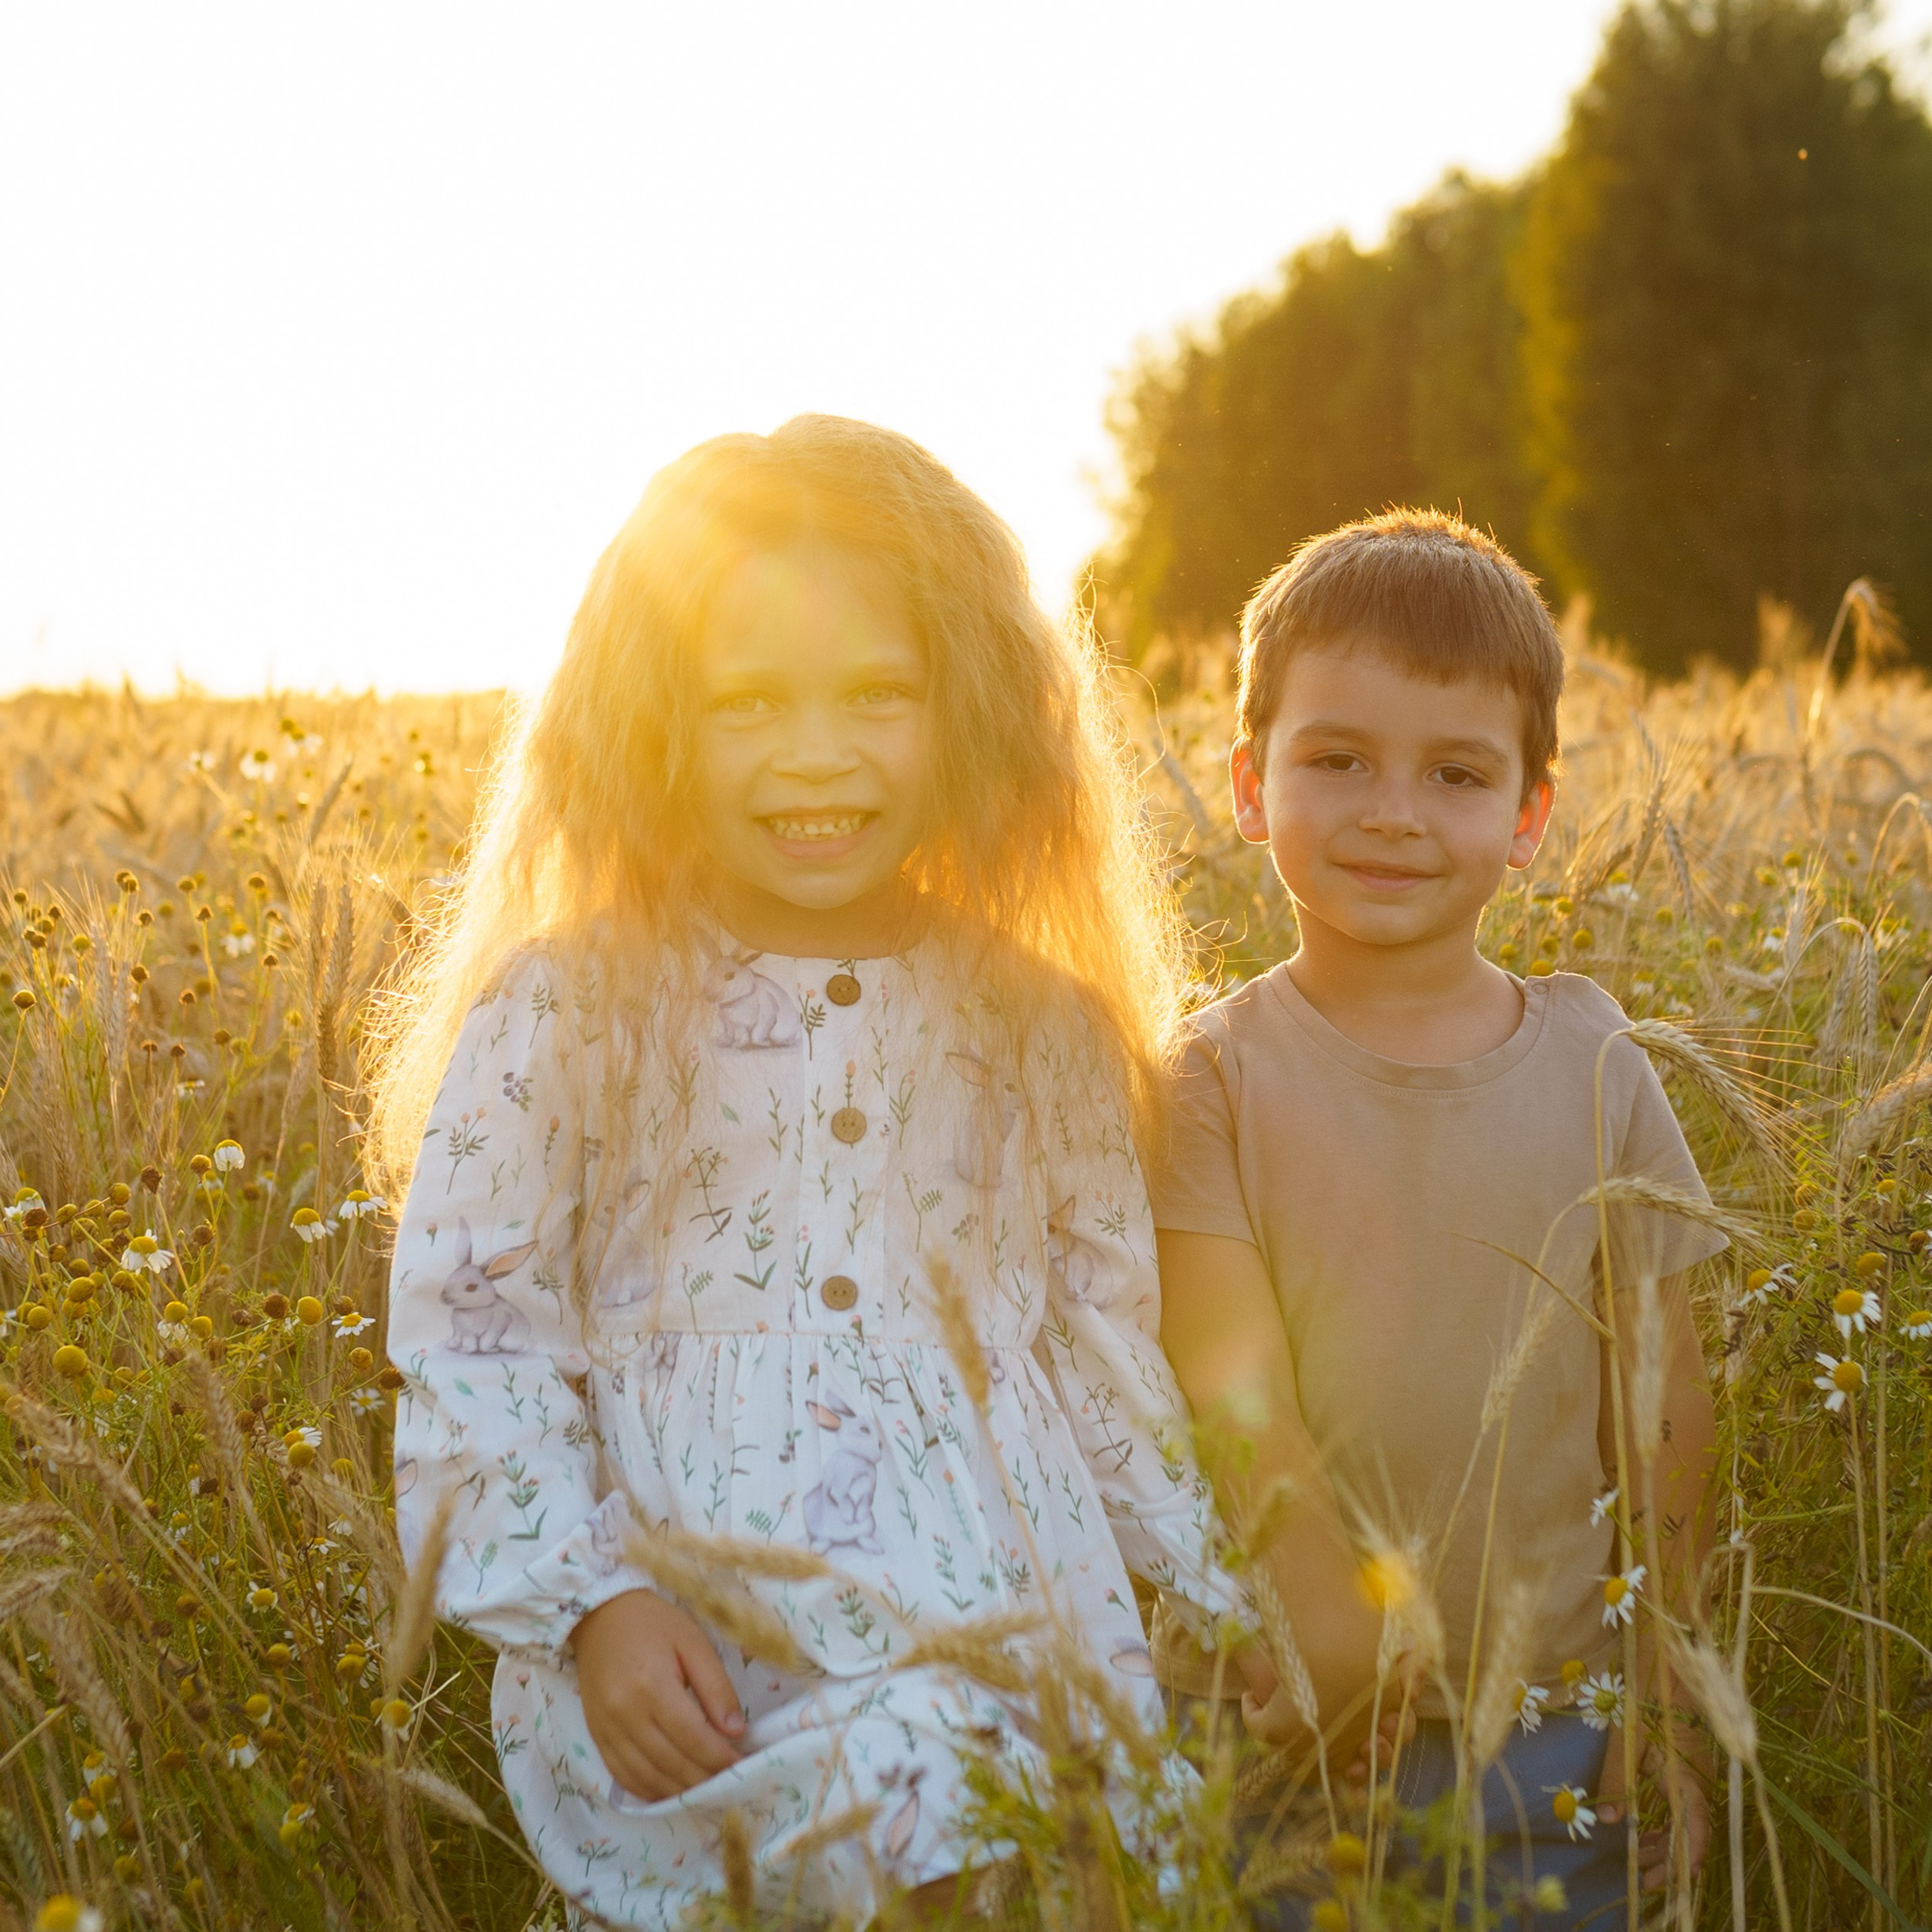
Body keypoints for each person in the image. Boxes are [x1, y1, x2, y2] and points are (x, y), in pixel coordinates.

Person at [368, 417, 1253, 1930]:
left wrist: (1220, 1618)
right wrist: (589, 1603)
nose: (816, 753)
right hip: (696, 1648)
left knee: (992, 1846)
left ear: (967, 711)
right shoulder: (567, 1007)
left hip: (1005, 1629)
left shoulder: (1036, 1020)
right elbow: (473, 1333)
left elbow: (1103, 1344)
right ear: (654, 722)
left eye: (875, 695)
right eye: (748, 703)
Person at [1151, 509, 1724, 1929]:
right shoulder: (1207, 1078)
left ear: (1531, 815)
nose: (1392, 811)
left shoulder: (1600, 1065)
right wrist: (1338, 1640)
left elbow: (1659, 1404)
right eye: (1336, 760)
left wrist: (1666, 1685)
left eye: (1455, 774)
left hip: (1555, 1728)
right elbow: (1231, 1386)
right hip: (1290, 1722)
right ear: (1247, 781)